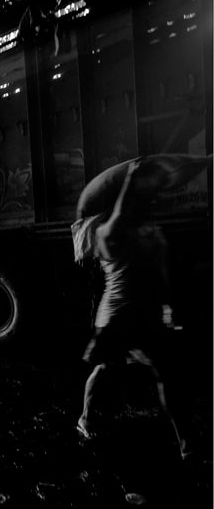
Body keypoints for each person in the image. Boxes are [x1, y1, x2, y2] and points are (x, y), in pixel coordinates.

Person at [74, 158, 199, 465]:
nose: (149, 203)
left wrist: (167, 308)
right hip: (116, 320)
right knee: (105, 369)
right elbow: (120, 213)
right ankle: (85, 419)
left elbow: (162, 273)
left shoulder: (152, 233)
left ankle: (187, 443)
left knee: (165, 375)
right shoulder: (108, 233)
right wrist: (131, 178)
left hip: (145, 316)